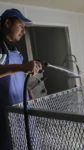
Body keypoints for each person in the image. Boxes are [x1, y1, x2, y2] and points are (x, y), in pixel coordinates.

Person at [0, 8, 42, 150]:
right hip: (5, 109)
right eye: (20, 26)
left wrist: (27, 89)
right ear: (7, 23)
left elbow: (15, 76)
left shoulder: (16, 50)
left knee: (26, 141)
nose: (23, 31)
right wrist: (23, 67)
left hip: (21, 105)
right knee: (9, 142)